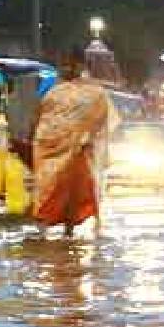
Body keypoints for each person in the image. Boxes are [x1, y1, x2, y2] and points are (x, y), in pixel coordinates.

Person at [31, 56, 120, 236]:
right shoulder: (53, 92)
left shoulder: (94, 93)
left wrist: (86, 138)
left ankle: (68, 229)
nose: (67, 69)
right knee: (49, 188)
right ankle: (46, 227)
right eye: (64, 65)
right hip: (50, 148)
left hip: (78, 149)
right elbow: (40, 118)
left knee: (74, 190)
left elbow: (100, 121)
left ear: (81, 67)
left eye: (70, 65)